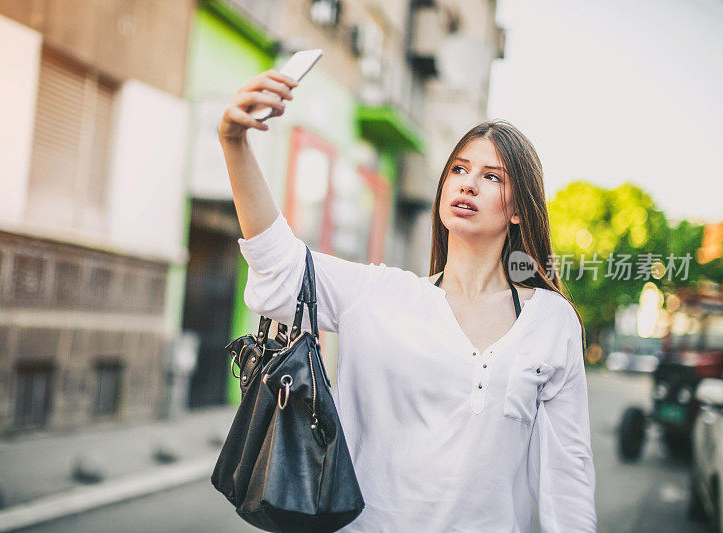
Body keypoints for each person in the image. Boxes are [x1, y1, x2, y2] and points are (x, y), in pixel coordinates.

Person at [218, 69, 597, 532]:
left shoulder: (551, 321)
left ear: (519, 209)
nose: (468, 183)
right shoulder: (380, 295)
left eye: (491, 176)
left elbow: (567, 476)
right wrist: (235, 142)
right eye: (458, 169)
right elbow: (279, 267)